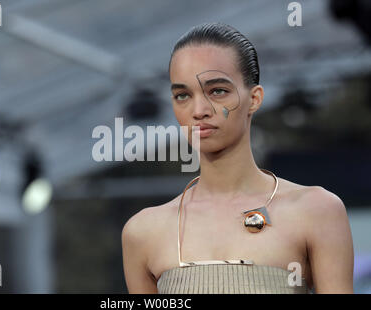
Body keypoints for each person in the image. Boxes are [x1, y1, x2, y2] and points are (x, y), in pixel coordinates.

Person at [121, 22, 354, 294]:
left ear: (254, 99)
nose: (199, 110)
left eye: (217, 91)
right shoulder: (144, 232)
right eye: (182, 95)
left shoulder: (316, 211)